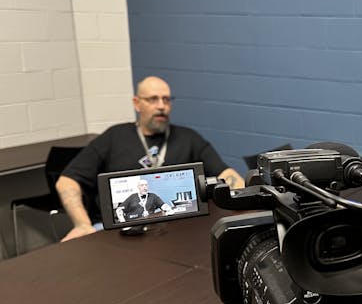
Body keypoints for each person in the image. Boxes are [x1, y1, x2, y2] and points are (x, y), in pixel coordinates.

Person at [56, 76, 245, 241]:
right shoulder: (114, 137)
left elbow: (227, 174)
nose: (162, 106)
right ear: (137, 103)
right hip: (117, 231)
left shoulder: (189, 138)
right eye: (153, 99)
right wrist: (82, 224)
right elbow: (66, 182)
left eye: (166, 99)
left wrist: (244, 203)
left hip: (179, 231)